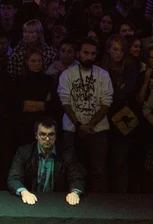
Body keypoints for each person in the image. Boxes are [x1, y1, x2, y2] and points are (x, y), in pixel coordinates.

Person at [57, 38, 113, 192]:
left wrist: (90, 125)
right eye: (86, 53)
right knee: (70, 166)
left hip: (98, 129)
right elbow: (65, 101)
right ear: (78, 53)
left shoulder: (103, 74)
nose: (89, 56)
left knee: (99, 169)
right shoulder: (68, 74)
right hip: (71, 127)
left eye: (93, 53)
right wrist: (78, 125)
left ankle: (100, 205)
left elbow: (106, 103)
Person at [7, 117, 85, 205]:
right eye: (43, 134)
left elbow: (77, 177)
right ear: (36, 135)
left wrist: (75, 193)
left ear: (56, 136)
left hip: (58, 201)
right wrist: (24, 192)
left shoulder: (67, 154)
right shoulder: (24, 152)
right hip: (31, 199)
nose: (47, 139)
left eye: (51, 134)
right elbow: (14, 178)